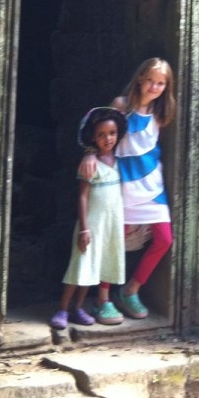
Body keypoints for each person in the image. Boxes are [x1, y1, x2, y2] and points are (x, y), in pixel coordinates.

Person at [80, 57, 176, 319]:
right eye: (151, 81)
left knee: (164, 239)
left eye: (161, 83)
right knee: (113, 242)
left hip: (152, 187)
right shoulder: (121, 105)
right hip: (121, 185)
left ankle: (130, 291)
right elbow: (99, 130)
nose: (154, 87)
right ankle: (102, 298)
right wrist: (90, 154)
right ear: (140, 79)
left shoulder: (160, 113)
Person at [50, 106, 128, 330]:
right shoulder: (89, 164)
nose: (108, 139)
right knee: (80, 266)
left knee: (93, 269)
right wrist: (84, 228)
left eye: (112, 133)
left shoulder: (119, 160)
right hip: (91, 225)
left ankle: (78, 308)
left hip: (109, 225)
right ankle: (63, 308)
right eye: (101, 135)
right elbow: (82, 197)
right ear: (93, 137)